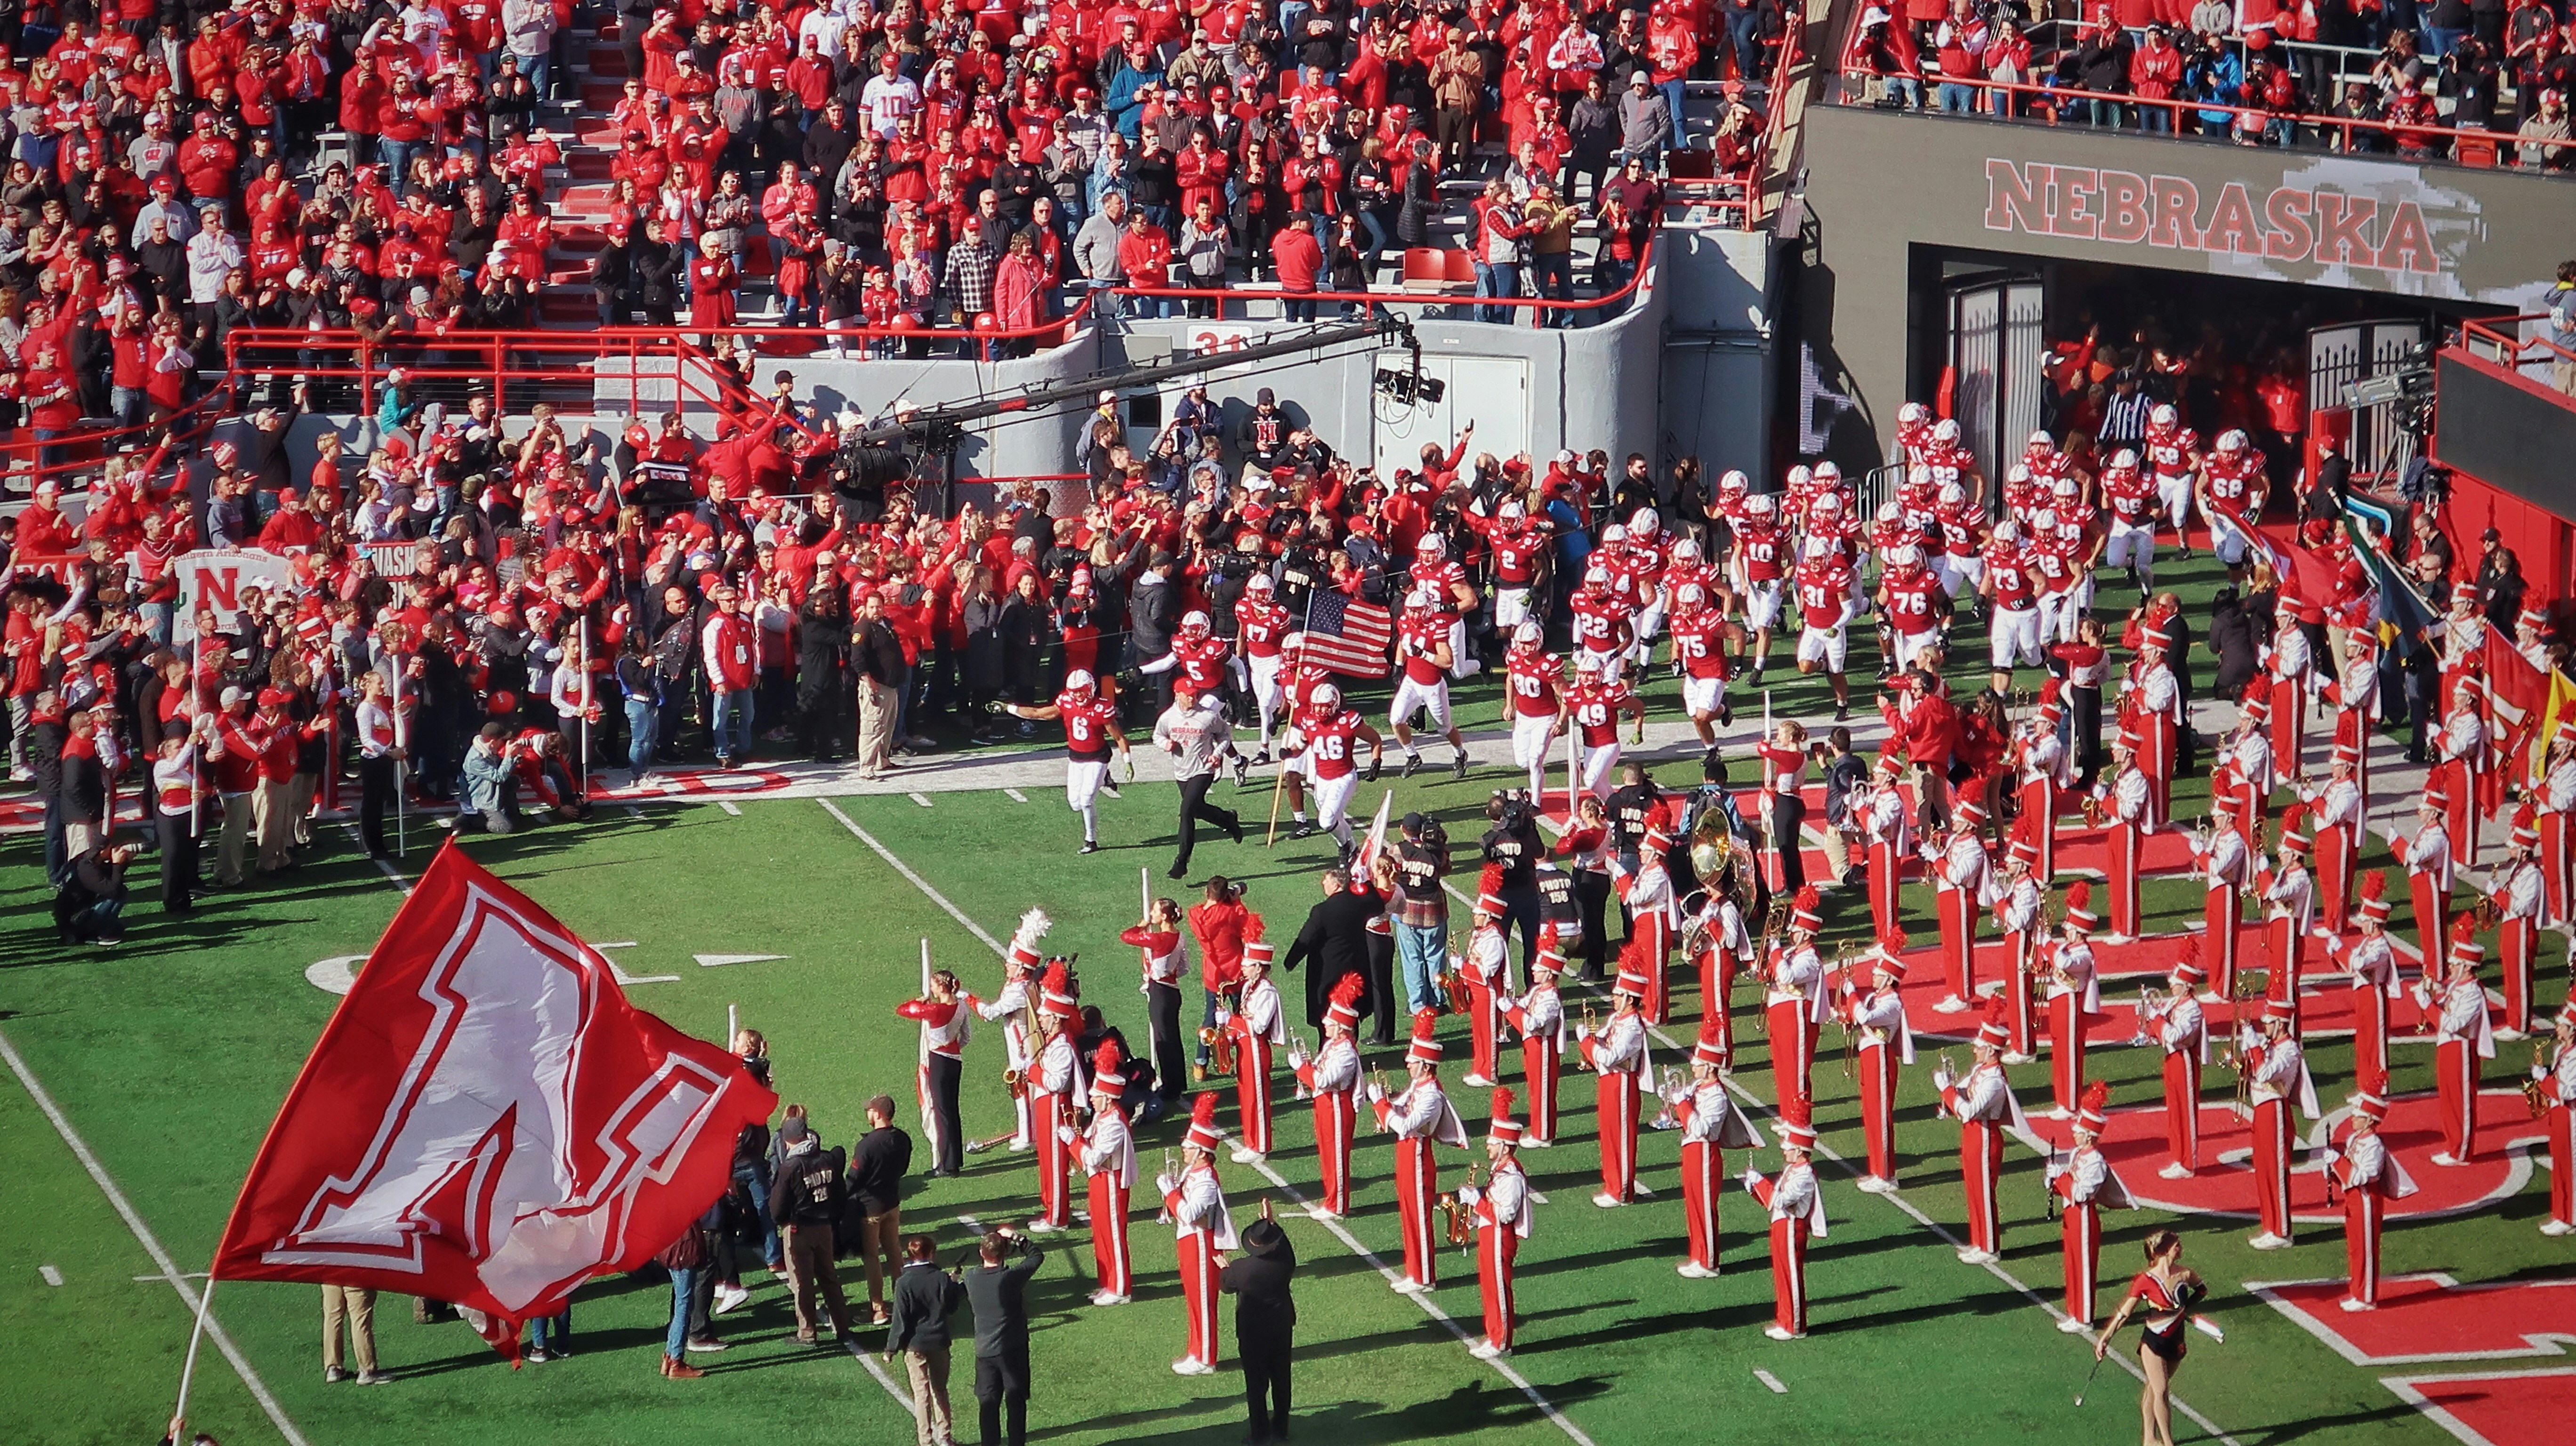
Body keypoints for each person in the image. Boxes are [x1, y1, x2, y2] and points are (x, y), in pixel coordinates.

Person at [1370, 1010, 1469, 1292]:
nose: (1407, 1065)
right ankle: (1414, 1271)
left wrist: (1380, 1105)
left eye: (1412, 1062)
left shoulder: (1431, 1096)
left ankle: (1425, 1276)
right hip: (1406, 1154)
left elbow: (1405, 1126)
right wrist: (1388, 1102)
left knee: (1419, 1216)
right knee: (1407, 1214)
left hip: (1417, 1155)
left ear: (1426, 1066)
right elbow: (1400, 1105)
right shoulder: (1419, 1086)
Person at [2094, 1230, 2208, 1446]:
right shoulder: (2145, 1280)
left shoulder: (2185, 1274)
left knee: (2153, 1388)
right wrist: (2106, 1337)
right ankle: (2167, 1442)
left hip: (2176, 1341)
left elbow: (2202, 1291)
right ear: (2164, 1250)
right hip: (2153, 1343)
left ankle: (2149, 1438)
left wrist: (2184, 1311)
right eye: (2177, 1245)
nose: (2180, 1248)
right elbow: (2125, 1312)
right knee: (2162, 1391)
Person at [772, 1112, 862, 1351]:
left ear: (788, 1140)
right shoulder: (827, 1158)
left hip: (799, 1229)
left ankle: (808, 1332)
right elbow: (840, 1194)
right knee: (830, 1279)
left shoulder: (790, 1167)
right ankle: (843, 1328)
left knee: (802, 1283)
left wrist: (784, 1222)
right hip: (825, 1228)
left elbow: (777, 1208)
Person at [1162, 1093, 1237, 1375]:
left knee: (1203, 1301)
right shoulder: (1193, 1174)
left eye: (1189, 1146)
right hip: (1189, 1241)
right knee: (1193, 1299)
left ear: (1202, 1152)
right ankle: (1195, 1350)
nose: (1184, 1148)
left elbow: (1191, 1213)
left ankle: (1206, 1358)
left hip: (1201, 1243)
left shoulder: (1205, 1180)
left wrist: (1169, 1193)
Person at [1741, 1095, 1825, 1341]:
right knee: (1781, 1275)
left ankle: (1795, 1325)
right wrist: (1755, 1188)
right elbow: (1774, 1201)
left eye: (1788, 1146)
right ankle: (1785, 1320)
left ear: (1800, 1149)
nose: (1783, 1149)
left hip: (1792, 1228)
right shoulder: (1793, 1169)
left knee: (1790, 1276)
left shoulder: (1804, 1176)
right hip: (1781, 1226)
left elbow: (1780, 1200)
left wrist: (1760, 1182)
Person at [1460, 1087, 1533, 1358]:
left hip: (1500, 1239)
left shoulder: (1511, 1176)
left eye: (1492, 1142)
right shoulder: (1499, 1172)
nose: (1488, 1145)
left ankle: (1502, 1342)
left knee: (1499, 1289)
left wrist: (1476, 1202)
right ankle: (1493, 1336)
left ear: (1504, 1146)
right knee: (1489, 1288)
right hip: (1491, 1235)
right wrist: (1477, 1218)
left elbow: (1505, 1215)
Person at [1220, 1198, 1298, 1443]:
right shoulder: (1284, 1264)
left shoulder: (1241, 1269)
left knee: (1256, 1386)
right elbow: (1287, 1250)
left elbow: (1226, 1286)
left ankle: (1259, 1434)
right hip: (1280, 1327)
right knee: (1281, 1379)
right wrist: (1272, 1223)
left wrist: (1224, 1268)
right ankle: (1281, 1429)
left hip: (1252, 1333)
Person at [961, 1227, 1045, 1446]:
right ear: (1005, 1254)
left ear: (982, 1253)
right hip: (1013, 1351)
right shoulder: (1011, 1278)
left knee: (988, 1406)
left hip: (985, 1352)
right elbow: (1036, 1256)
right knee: (1016, 1404)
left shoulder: (971, 1277)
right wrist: (1017, 1237)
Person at [1153, 682, 1245, 879]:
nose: (1192, 699)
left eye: (1195, 695)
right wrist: (1166, 744)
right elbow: (1157, 736)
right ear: (1177, 694)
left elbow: (1225, 736)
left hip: (1204, 769)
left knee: (1186, 812)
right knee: (1197, 809)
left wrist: (1217, 754)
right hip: (1182, 771)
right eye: (1188, 695)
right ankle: (1228, 819)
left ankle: (1181, 862)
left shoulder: (1208, 716)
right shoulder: (1168, 717)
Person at [885, 1235, 964, 1446]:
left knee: (921, 1396)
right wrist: (953, 1285)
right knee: (940, 1390)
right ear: (932, 1253)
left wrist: (891, 1349)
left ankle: (925, 1441)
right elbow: (951, 1308)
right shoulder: (941, 1278)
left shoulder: (904, 1282)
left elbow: (900, 1319)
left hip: (915, 1345)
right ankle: (945, 1438)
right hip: (939, 1342)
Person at [1076, 1041, 1137, 1304]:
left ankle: (1121, 1288)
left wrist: (1072, 1142)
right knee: (1100, 1233)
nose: (1091, 1097)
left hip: (1111, 1181)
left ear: (1108, 1096)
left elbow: (1093, 1156)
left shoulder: (1113, 1123)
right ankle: (1108, 1283)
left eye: (1095, 1094)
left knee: (1113, 1234)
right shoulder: (1103, 1117)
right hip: (1100, 1179)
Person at [847, 1095, 914, 1326]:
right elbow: (903, 1169)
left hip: (870, 1209)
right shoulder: (903, 1139)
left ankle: (878, 1310)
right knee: (895, 1252)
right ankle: (904, 1304)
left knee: (872, 1257)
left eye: (870, 1110)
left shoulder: (867, 1145)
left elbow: (854, 1179)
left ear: (878, 1114)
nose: (868, 1114)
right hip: (893, 1203)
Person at [322, 1283, 389, 1386]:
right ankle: (367, 1371)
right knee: (360, 1320)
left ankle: (333, 1368)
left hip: (332, 1273)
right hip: (356, 1276)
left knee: (333, 1317)